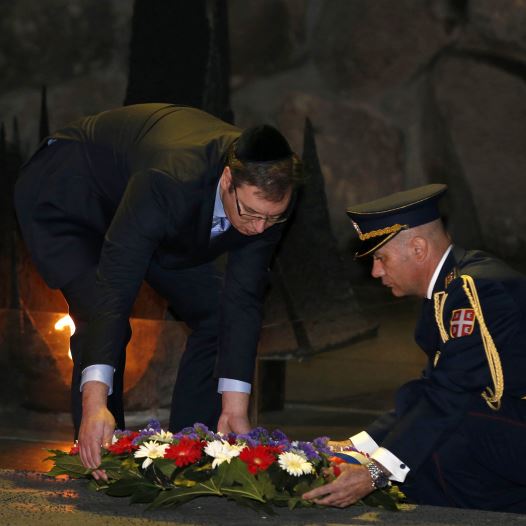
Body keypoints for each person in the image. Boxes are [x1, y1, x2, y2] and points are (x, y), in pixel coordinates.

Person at [15, 103, 302, 476]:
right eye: (249, 213)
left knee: (216, 312)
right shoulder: (170, 179)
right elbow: (114, 290)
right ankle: (106, 453)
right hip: (71, 197)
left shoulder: (267, 204)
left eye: (272, 218)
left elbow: (243, 297)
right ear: (228, 180)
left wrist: (234, 406)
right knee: (98, 312)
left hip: (143, 209)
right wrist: (94, 402)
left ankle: (191, 451)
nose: (260, 228)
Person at [303, 184, 526, 512]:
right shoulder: (448, 290)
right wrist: (359, 445)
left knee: (436, 437)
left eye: (381, 258)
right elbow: (431, 391)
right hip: (506, 428)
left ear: (418, 248)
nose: (376, 272)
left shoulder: (476, 289)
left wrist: (375, 472)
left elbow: (452, 395)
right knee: (416, 434)